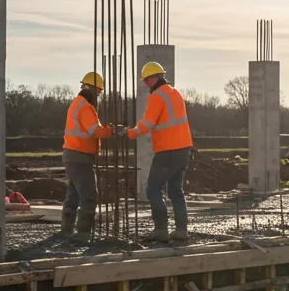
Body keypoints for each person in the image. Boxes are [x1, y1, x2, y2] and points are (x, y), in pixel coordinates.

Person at [128, 62, 193, 242]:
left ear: (154, 78)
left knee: (153, 189)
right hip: (184, 148)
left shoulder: (157, 96)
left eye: (147, 80)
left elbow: (147, 123)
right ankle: (181, 230)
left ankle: (161, 230)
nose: (146, 84)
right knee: (175, 190)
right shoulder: (175, 93)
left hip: (167, 150)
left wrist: (131, 133)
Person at [61, 72, 115, 236]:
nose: (98, 96)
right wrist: (110, 131)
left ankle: (66, 230)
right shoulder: (85, 107)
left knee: (74, 195)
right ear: (91, 88)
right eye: (98, 92)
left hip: (72, 154)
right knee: (89, 196)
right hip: (80, 156)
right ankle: (83, 234)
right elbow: (94, 130)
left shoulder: (77, 103)